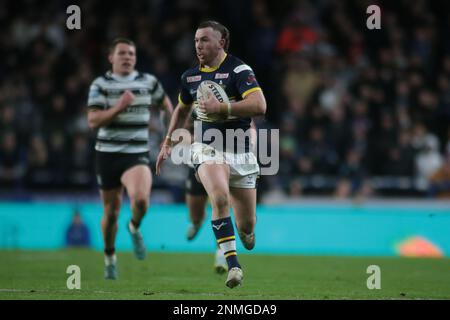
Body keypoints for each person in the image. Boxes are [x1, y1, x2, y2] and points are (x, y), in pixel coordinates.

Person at [156, 21, 266, 288]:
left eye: (205, 40)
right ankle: (233, 265)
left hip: (239, 151)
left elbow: (259, 105)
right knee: (218, 196)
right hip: (208, 147)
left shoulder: (238, 70)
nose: (198, 45)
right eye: (196, 40)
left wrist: (222, 107)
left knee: (247, 229)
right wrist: (168, 141)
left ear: (221, 42)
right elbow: (181, 110)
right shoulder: (190, 77)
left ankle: (244, 234)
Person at [86, 38, 174, 280]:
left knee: (142, 200)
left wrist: (171, 131)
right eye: (122, 53)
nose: (127, 57)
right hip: (107, 154)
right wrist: (119, 107)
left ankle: (134, 226)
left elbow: (167, 106)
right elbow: (93, 121)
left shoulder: (148, 82)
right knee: (111, 211)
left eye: (131, 54)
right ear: (111, 57)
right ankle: (110, 258)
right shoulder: (100, 85)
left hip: (136, 153)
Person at [185, 119, 258, 275]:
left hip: (224, 160)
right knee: (196, 213)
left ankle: (222, 254)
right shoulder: (193, 101)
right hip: (199, 161)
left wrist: (250, 144)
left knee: (220, 202)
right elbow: (182, 129)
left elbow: (250, 126)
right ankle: (197, 221)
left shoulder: (229, 103)